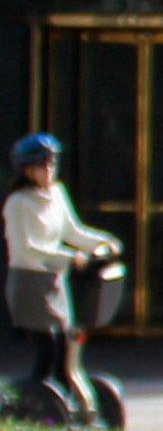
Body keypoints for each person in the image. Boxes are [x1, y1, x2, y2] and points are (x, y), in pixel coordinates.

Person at [5, 131, 121, 406]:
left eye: (52, 163)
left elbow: (73, 231)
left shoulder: (57, 193)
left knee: (67, 347)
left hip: (55, 281)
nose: (48, 170)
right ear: (26, 169)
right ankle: (32, 404)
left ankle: (67, 402)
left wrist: (104, 241)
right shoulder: (18, 203)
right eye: (41, 165)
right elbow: (28, 248)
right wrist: (71, 258)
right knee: (49, 346)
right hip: (29, 282)